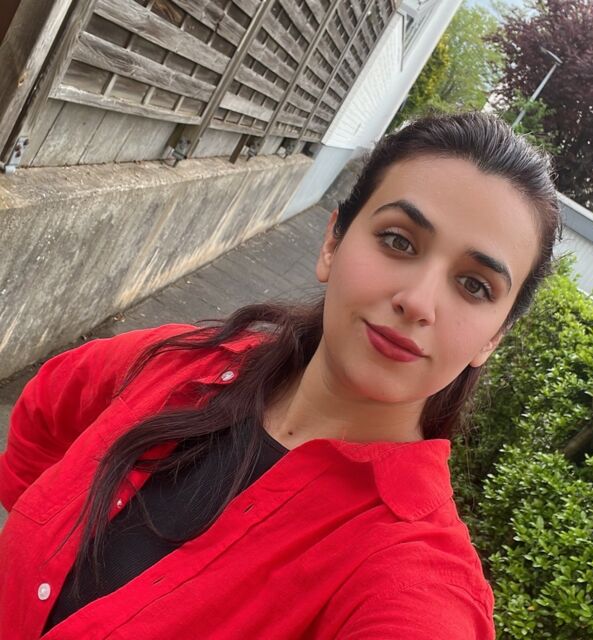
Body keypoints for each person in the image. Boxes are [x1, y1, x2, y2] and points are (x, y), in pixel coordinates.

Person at [0, 112, 560, 639]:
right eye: (398, 241)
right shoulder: (178, 363)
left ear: (492, 338)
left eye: (475, 285)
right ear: (333, 242)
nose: (417, 301)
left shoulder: (412, 577)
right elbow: (47, 409)